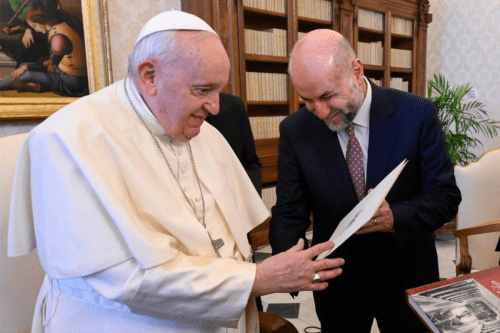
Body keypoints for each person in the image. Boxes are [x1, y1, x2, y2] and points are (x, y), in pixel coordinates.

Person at [7, 11, 344, 332]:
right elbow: (123, 279)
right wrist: (256, 279)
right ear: (149, 75)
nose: (215, 108)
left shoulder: (202, 133)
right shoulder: (67, 140)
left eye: (218, 90)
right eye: (202, 90)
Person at [269, 29, 462, 333]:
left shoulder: (416, 114)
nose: (320, 112)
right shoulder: (296, 130)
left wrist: (394, 217)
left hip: (408, 276)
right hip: (338, 285)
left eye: (327, 96)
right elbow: (289, 211)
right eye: (307, 100)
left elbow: (445, 197)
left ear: (356, 72)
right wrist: (290, 261)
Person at [0, 8, 88, 96]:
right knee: (22, 66)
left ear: (41, 21)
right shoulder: (60, 26)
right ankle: (37, 86)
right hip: (63, 72)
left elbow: (51, 64)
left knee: (26, 74)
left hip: (71, 81)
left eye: (34, 26)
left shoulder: (57, 38)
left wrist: (26, 68)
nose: (36, 29)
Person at [207, 92, 262, 195]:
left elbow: (250, 164)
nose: (214, 108)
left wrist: (252, 206)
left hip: (236, 202)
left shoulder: (233, 105)